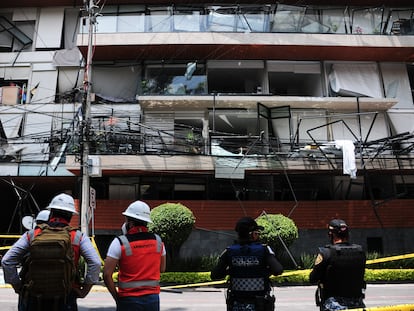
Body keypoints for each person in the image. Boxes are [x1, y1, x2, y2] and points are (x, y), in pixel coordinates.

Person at [1, 193, 101, 311]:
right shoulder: (78, 237)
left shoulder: (33, 234)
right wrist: (85, 290)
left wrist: (17, 286)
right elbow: (95, 263)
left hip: (33, 296)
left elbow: (7, 261)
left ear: (51, 212)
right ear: (71, 215)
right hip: (65, 297)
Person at [103, 200, 167, 311]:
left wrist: (117, 298)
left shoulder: (119, 242)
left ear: (130, 222)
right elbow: (162, 269)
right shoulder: (158, 241)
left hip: (128, 301)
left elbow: (106, 274)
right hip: (152, 300)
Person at [211, 217, 283, 311]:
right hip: (260, 304)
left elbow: (215, 275)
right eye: (256, 233)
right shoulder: (263, 250)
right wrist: (263, 271)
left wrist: (231, 270)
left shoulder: (230, 251)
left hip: (237, 304)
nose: (258, 236)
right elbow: (278, 270)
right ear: (251, 235)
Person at [309, 219, 366, 311]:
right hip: (357, 303)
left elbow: (313, 278)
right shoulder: (360, 251)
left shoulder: (326, 253)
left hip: (333, 304)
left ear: (331, 234)